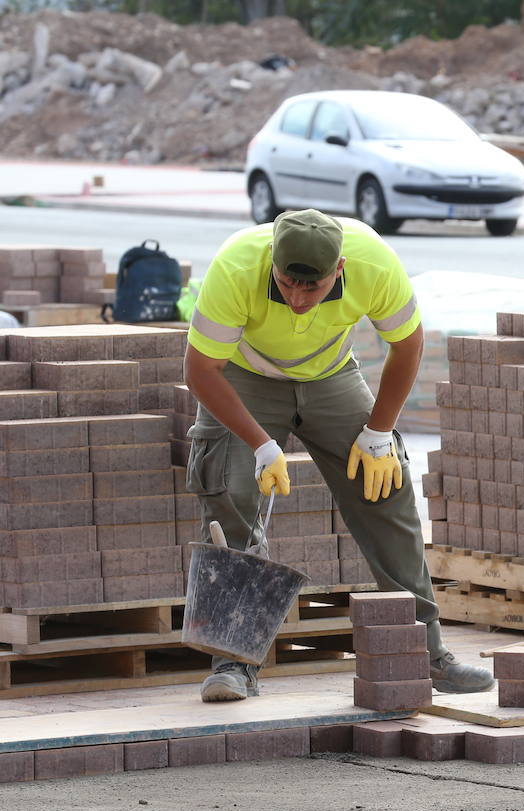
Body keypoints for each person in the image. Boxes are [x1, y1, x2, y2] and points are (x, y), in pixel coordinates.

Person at [184, 209, 492, 702]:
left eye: (314, 288)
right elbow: (201, 370)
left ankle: (427, 653)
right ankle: (233, 666)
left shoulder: (373, 261)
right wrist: (261, 443)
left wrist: (379, 432)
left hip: (329, 374)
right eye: (287, 285)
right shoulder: (236, 267)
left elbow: (408, 343)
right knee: (230, 496)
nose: (299, 300)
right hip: (243, 376)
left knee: (386, 489)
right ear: (271, 263)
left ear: (341, 269)